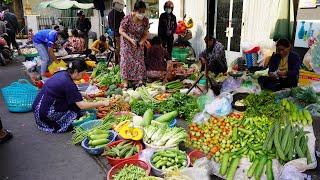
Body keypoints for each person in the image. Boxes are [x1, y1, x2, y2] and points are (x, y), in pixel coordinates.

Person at [32, 60, 110, 133]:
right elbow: (82, 105)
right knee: (77, 112)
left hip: (38, 108)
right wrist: (101, 103)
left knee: (74, 105)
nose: (83, 77)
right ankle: (57, 125)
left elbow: (68, 92)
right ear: (76, 71)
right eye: (82, 74)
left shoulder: (62, 73)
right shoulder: (68, 83)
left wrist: (85, 94)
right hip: (46, 115)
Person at [119, 0, 149, 88]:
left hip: (138, 43)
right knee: (126, 61)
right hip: (127, 42)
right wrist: (130, 39)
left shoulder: (145, 20)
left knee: (139, 60)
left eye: (143, 12)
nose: (142, 14)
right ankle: (126, 81)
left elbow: (145, 33)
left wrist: (142, 41)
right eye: (140, 12)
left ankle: (139, 80)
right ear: (135, 10)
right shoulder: (127, 18)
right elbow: (121, 30)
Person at [108, 0, 125, 64]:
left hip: (113, 33)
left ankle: (117, 61)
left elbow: (109, 24)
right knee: (120, 49)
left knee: (116, 48)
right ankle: (120, 62)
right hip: (118, 34)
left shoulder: (110, 13)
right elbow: (124, 22)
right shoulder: (119, 12)